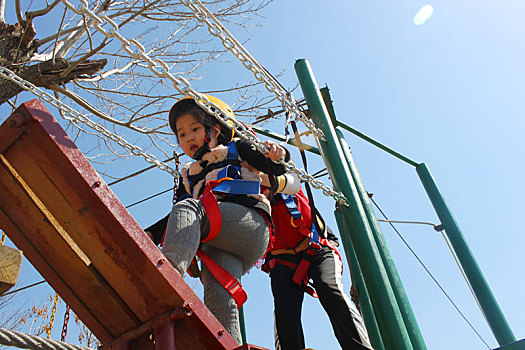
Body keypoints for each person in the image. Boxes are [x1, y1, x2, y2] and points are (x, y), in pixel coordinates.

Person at [145, 94, 290, 345]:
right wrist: (150, 234)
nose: (188, 137)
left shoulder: (237, 149)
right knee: (219, 299)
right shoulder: (189, 175)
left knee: (190, 207)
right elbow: (175, 217)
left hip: (247, 223)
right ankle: (229, 344)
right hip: (220, 246)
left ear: (215, 129)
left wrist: (280, 154)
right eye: (181, 134)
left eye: (195, 129)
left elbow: (275, 168)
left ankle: (166, 278)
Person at [262, 173, 373, 350]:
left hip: (317, 248)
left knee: (329, 289)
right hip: (282, 259)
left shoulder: (285, 178)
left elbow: (279, 178)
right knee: (284, 311)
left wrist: (249, 164)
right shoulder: (245, 190)